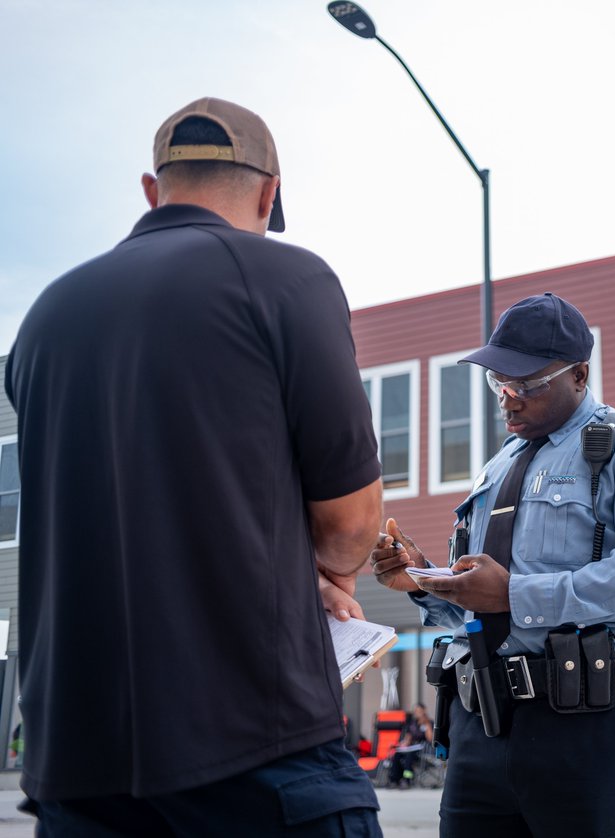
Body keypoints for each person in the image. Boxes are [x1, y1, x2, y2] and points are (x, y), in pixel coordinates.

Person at [4, 97, 384, 836]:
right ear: (270, 192)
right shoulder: (289, 281)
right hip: (252, 743)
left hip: (77, 762)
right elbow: (350, 524)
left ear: (151, 190)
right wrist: (318, 575)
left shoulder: (45, 318)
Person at [369, 293, 615, 838]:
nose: (508, 397)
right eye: (498, 381)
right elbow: (483, 608)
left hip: (584, 731)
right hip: (481, 727)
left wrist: (516, 594)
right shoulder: (498, 466)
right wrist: (428, 581)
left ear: (580, 375)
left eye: (527, 384)